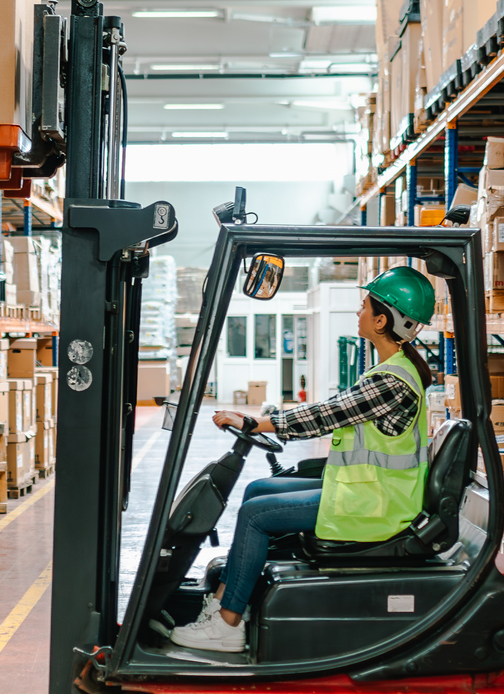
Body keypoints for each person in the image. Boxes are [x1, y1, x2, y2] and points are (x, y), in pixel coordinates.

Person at [169, 266, 438, 654]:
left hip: (376, 504)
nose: (358, 313)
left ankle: (227, 623)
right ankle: (228, 596)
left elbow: (322, 418)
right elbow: (332, 407)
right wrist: (263, 422)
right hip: (368, 492)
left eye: (364, 307)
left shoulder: (391, 381)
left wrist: (256, 422)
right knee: (258, 489)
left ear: (382, 320)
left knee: (256, 515)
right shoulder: (390, 370)